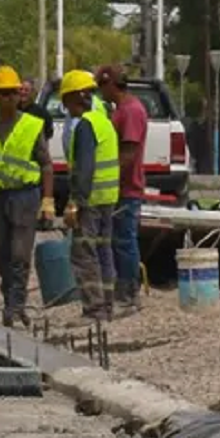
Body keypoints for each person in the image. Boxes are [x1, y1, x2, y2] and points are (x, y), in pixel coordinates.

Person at [0, 65, 53, 328]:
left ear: (19, 96)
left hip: (25, 196)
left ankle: (15, 306)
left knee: (19, 253)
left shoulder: (31, 126)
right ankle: (10, 301)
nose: (7, 98)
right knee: (2, 253)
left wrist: (48, 201)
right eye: (2, 94)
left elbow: (46, 164)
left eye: (11, 94)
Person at [57, 69, 120, 321]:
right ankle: (107, 305)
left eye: (66, 101)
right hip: (107, 198)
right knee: (104, 251)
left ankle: (94, 308)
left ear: (76, 98)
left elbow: (85, 168)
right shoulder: (104, 121)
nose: (66, 108)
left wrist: (75, 202)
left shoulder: (85, 126)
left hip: (91, 199)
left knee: (84, 254)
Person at [97, 64, 148, 309]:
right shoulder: (121, 110)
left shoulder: (131, 111)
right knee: (117, 239)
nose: (99, 93)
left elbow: (128, 153)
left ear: (110, 84)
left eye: (100, 86)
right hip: (117, 188)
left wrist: (110, 180)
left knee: (125, 240)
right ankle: (121, 287)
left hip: (126, 189)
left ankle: (130, 290)